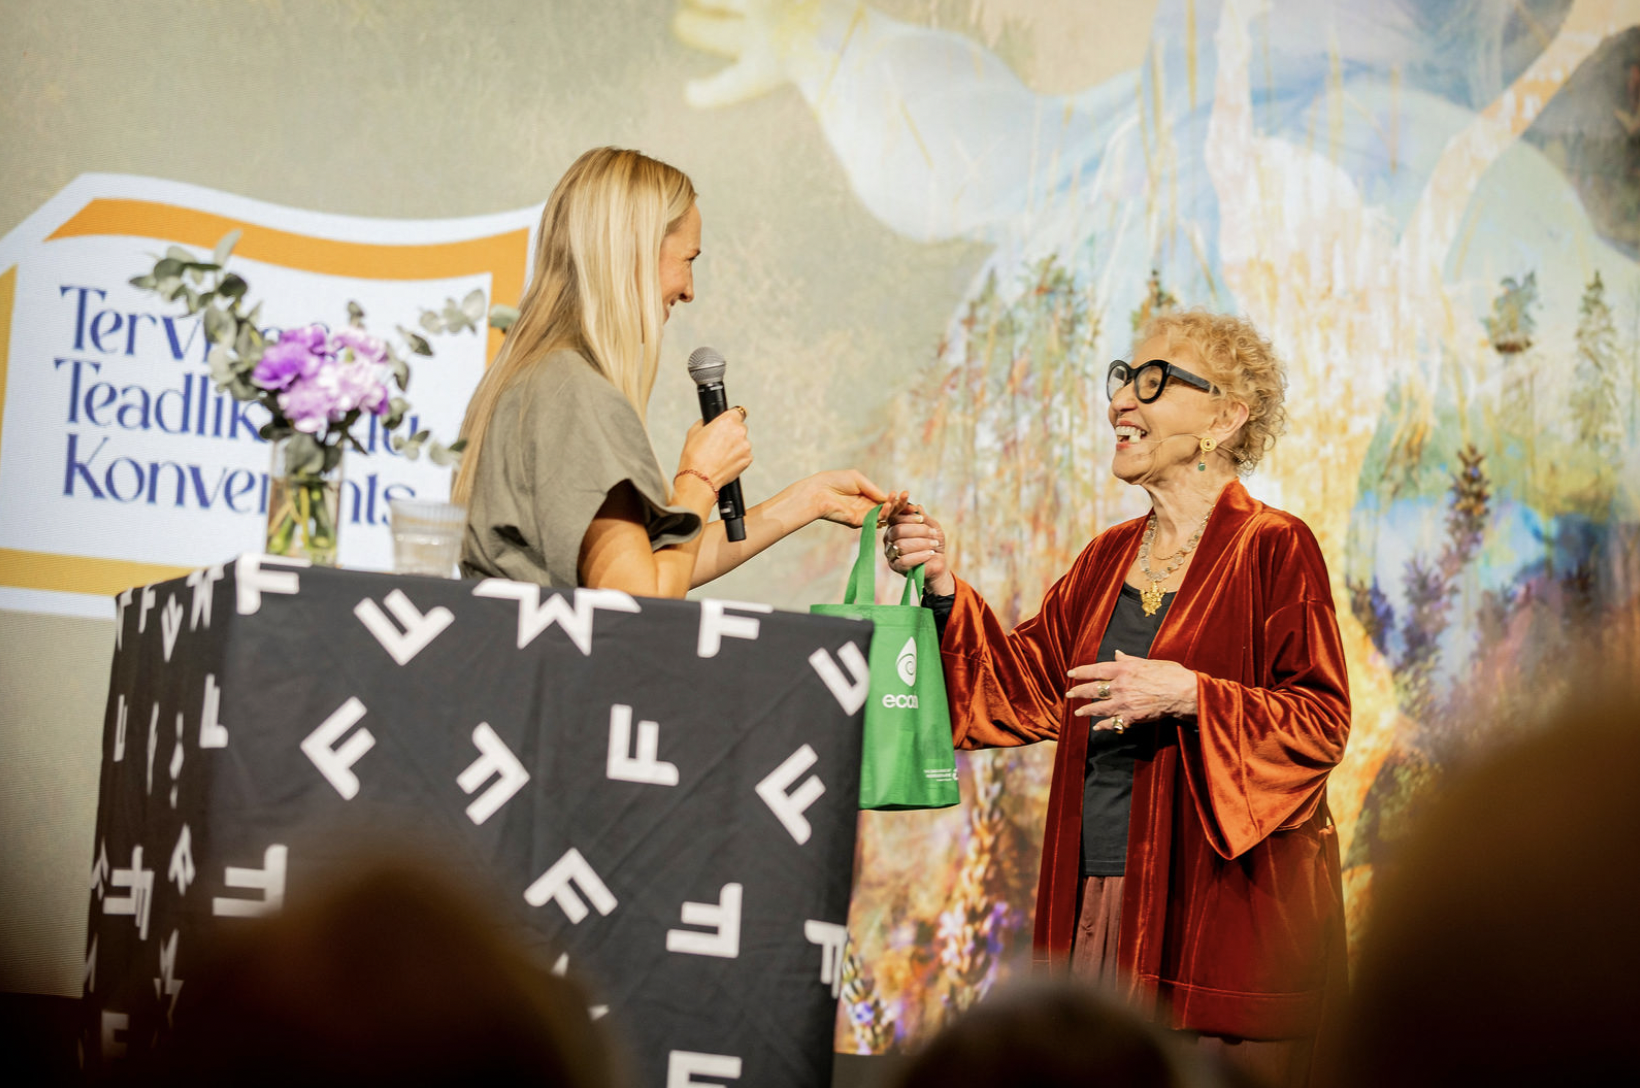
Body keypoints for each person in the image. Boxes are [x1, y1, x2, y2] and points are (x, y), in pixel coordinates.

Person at [885, 311, 1350, 1088]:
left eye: (1154, 382)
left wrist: (1193, 694)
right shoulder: (1105, 559)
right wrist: (940, 586)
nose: (1121, 404)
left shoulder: (1274, 546)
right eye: (1123, 381)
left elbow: (1321, 721)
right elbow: (1019, 688)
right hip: (1103, 894)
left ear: (1225, 416)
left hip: (1214, 906)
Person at [455, 146, 902, 594]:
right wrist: (700, 478)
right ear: (633, 249)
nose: (689, 291)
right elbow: (639, 605)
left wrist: (810, 499)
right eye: (688, 260)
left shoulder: (542, 376)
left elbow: (658, 567)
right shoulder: (575, 391)